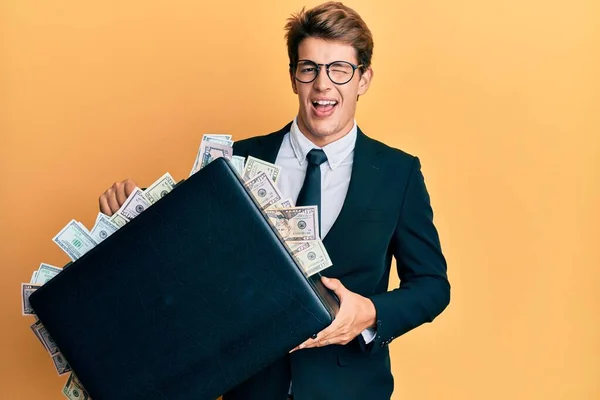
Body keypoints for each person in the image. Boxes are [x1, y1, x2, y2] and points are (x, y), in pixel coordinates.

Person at [99, 2, 450, 399]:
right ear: (293, 77)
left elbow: (432, 286)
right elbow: (187, 266)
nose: (323, 85)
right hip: (248, 387)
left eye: (339, 69)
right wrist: (132, 221)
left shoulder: (398, 174)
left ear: (363, 79)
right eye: (309, 68)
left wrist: (369, 313)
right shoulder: (233, 163)